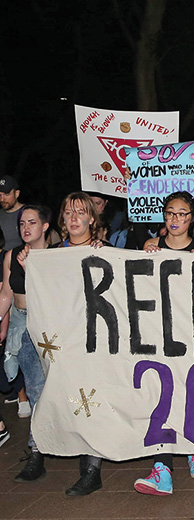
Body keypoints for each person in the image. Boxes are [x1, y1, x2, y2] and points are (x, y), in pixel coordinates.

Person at [134, 192, 194, 496]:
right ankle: (163, 468)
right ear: (164, 217)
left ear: (193, 218)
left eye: (183, 214)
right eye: (171, 213)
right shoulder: (151, 248)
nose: (176, 220)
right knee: (163, 395)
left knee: (192, 390)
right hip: (161, 333)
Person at [50, 193, 107, 495]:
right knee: (76, 402)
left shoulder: (106, 251)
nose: (74, 218)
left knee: (94, 401)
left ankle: (92, 469)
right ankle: (85, 463)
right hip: (66, 341)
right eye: (68, 212)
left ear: (91, 219)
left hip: (96, 340)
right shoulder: (52, 254)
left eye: (80, 212)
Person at [0, 206, 51, 483]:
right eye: (22, 223)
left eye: (32, 222)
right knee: (33, 387)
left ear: (45, 226)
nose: (26, 228)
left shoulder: (56, 255)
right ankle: (37, 450)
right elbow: (7, 293)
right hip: (23, 323)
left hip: (50, 327)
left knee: (57, 385)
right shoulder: (11, 255)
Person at [0, 175, 23, 252]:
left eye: (6, 195)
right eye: (0, 195)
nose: (2, 199)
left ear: (17, 194)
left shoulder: (29, 213)